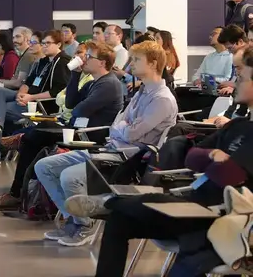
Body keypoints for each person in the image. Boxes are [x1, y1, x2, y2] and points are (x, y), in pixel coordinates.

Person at [64, 45, 253, 276]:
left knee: (150, 200)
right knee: (120, 220)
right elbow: (192, 157)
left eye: (241, 76)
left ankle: (109, 201)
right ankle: (112, 204)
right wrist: (214, 157)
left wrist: (213, 161)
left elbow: (230, 175)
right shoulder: (238, 127)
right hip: (195, 205)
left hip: (223, 217)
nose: (235, 82)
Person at [34, 40, 178, 246]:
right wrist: (123, 127)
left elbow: (130, 132)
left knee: (68, 177)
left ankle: (84, 225)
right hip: (111, 148)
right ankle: (75, 219)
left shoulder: (162, 99)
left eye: (136, 60)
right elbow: (119, 123)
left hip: (127, 159)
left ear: (154, 64)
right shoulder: (141, 92)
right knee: (44, 166)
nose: (130, 64)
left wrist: (122, 127)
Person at [0, 41, 123, 210]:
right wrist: (74, 75)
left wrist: (74, 110)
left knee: (34, 137)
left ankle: (17, 192)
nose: (84, 59)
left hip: (90, 134)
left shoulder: (108, 84)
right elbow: (72, 103)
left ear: (102, 63)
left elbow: (78, 110)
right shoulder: (93, 82)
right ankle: (19, 189)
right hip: (77, 129)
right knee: (35, 136)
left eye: (89, 57)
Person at [0, 29, 72, 166]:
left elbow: (57, 92)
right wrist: (21, 93)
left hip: (41, 104)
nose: (44, 46)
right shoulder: (43, 61)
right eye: (43, 43)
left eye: (48, 43)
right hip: (28, 98)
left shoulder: (62, 62)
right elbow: (28, 82)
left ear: (59, 44)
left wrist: (30, 97)